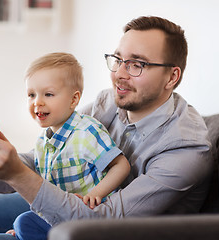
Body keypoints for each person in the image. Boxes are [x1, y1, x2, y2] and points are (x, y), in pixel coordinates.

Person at [0, 15, 213, 240]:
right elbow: (51, 156)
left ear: (172, 76)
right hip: (76, 197)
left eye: (137, 65)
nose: (119, 73)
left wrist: (16, 174)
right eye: (118, 59)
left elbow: (100, 223)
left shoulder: (185, 149)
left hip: (102, 227)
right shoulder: (109, 102)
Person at [7, 52, 130, 239]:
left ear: (73, 100)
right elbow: (45, 194)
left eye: (48, 94)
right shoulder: (43, 142)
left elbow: (121, 165)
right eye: (31, 95)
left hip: (88, 222)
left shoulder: (87, 131)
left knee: (23, 222)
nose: (37, 102)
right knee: (22, 223)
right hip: (59, 217)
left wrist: (97, 193)